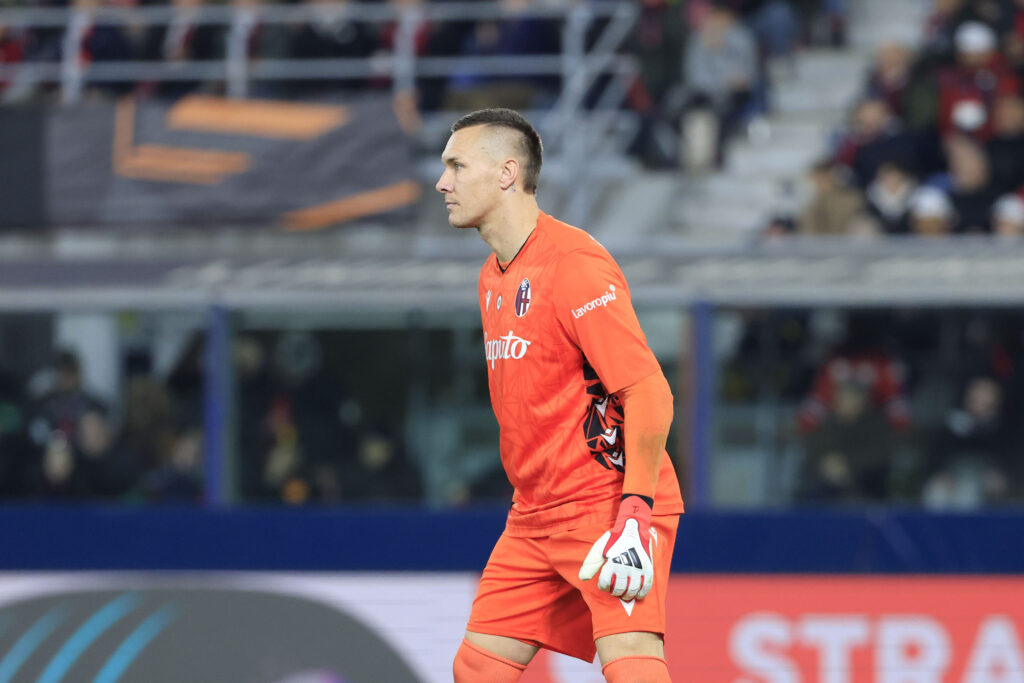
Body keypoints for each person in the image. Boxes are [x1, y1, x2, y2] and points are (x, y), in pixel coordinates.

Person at [435, 108, 684, 682]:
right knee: (477, 669)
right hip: (533, 513)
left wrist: (635, 513)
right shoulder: (492, 275)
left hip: (606, 502)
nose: (442, 183)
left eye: (457, 166)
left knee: (631, 661)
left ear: (506, 173)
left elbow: (650, 392)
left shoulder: (574, 265)